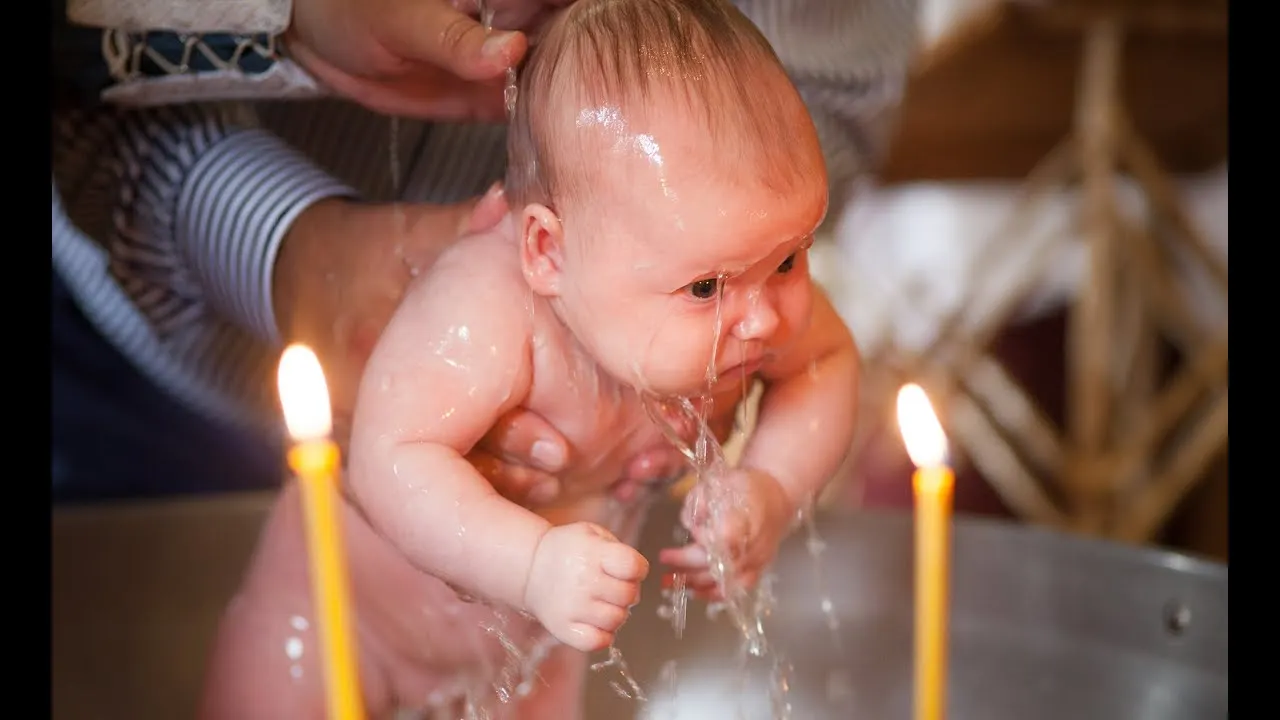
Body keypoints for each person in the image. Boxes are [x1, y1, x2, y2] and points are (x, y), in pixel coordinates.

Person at [197, 1, 860, 717]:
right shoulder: (487, 307)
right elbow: (390, 457)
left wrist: (770, 485)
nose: (763, 317)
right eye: (705, 287)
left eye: (792, 257)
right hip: (333, 619)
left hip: (534, 649)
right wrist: (532, 566)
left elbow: (825, 365)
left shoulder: (737, 282)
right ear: (549, 251)